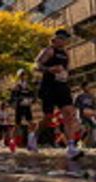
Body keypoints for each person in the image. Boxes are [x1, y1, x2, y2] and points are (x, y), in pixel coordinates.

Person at [35, 29, 84, 160]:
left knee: (69, 114)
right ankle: (34, 135)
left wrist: (65, 75)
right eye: (61, 38)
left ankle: (71, 147)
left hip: (62, 86)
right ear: (55, 39)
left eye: (65, 39)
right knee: (48, 118)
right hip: (48, 87)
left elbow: (67, 70)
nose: (63, 41)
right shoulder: (49, 50)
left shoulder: (66, 54)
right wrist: (49, 69)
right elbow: (37, 65)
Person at [75, 82, 96, 147]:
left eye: (90, 87)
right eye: (87, 86)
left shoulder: (92, 97)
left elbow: (94, 107)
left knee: (92, 128)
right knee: (86, 129)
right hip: (83, 114)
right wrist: (78, 118)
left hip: (91, 114)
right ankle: (79, 142)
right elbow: (77, 108)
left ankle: (92, 143)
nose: (89, 88)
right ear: (83, 88)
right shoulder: (80, 96)